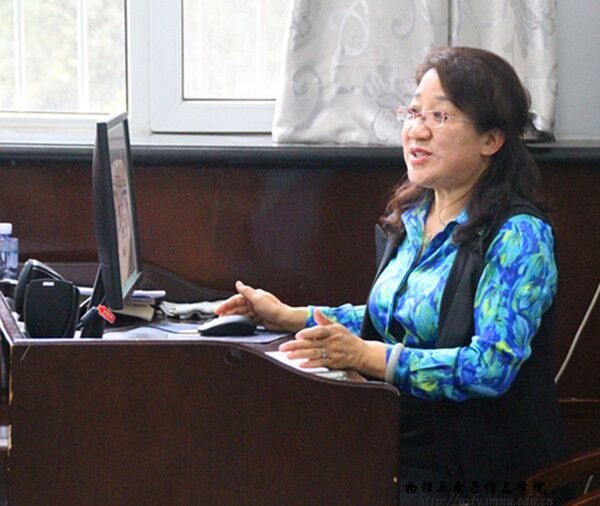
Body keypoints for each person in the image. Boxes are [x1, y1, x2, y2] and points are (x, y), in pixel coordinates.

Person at [216, 46, 567, 502]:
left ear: (491, 140)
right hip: (399, 445)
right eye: (414, 112)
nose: (417, 129)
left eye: (440, 116)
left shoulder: (519, 235)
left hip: (478, 475)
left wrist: (368, 357)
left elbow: (490, 368)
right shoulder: (415, 215)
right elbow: (396, 319)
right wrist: (288, 315)